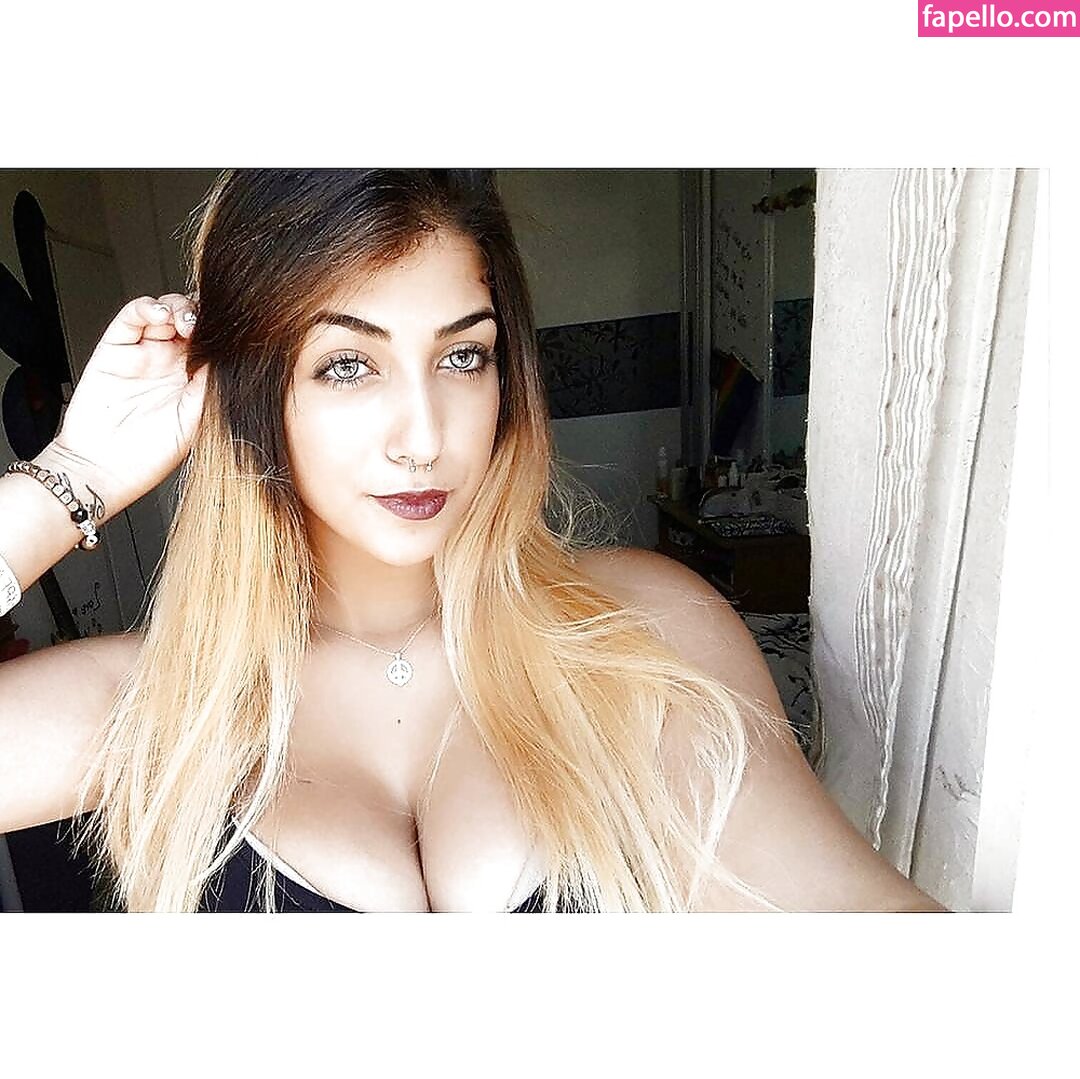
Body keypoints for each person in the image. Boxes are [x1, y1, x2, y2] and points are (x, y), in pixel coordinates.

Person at [0, 169, 945, 913]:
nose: (423, 436)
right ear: (255, 394)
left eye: (463, 355)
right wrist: (74, 475)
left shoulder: (637, 625)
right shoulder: (156, 701)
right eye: (347, 364)